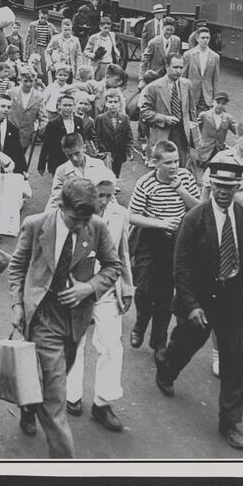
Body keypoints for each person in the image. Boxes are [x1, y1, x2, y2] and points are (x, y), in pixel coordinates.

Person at [9, 178, 121, 458]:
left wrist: (90, 288)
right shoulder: (36, 224)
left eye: (86, 219)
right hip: (42, 316)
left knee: (49, 379)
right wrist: (17, 304)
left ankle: (28, 404)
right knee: (56, 395)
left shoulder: (97, 227)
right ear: (61, 205)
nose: (81, 225)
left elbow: (113, 266)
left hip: (75, 320)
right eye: (75, 219)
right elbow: (18, 266)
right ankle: (65, 468)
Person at [154, 158, 243, 451]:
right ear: (210, 184)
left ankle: (230, 422)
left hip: (233, 301)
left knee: (233, 359)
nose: (224, 192)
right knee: (187, 343)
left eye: (230, 187)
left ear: (238, 187)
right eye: (219, 186)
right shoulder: (195, 219)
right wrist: (191, 305)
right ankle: (166, 364)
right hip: (200, 299)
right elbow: (181, 267)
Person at [64, 175, 133, 431]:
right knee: (74, 341)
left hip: (107, 287)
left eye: (109, 195)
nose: (104, 201)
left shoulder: (119, 214)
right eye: (99, 195)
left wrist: (127, 287)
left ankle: (103, 403)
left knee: (111, 344)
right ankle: (72, 395)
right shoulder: (74, 215)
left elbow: (122, 252)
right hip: (77, 287)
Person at [128, 140, 200, 352]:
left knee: (166, 294)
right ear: (155, 163)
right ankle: (140, 325)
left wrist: (180, 190)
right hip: (151, 239)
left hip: (177, 242)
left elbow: (198, 209)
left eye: (176, 161)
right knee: (144, 291)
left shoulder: (185, 178)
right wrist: (160, 223)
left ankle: (158, 340)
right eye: (168, 162)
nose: (174, 166)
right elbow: (132, 216)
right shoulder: (145, 183)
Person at [201, 120, 243, 219]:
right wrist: (204, 211)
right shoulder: (222, 157)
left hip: (242, 212)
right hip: (219, 210)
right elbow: (207, 186)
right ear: (237, 138)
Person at [140, 53, 196, 167]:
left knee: (181, 166)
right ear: (167, 67)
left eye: (181, 67)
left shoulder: (187, 84)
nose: (179, 71)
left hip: (182, 134)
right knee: (163, 167)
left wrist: (194, 132)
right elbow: (145, 112)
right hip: (163, 134)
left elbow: (191, 110)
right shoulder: (154, 87)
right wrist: (164, 119)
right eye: (175, 67)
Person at [45, 132, 116, 211]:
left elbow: (109, 193)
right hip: (76, 214)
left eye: (77, 153)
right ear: (64, 152)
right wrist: (47, 218)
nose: (74, 158)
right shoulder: (62, 171)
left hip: (98, 211)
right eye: (69, 155)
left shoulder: (98, 165)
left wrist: (117, 212)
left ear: (84, 148)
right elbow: (55, 199)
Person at [38, 93, 83, 176]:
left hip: (75, 160)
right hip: (58, 160)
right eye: (65, 105)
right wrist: (41, 164)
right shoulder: (53, 124)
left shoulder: (79, 121)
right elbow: (46, 145)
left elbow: (81, 140)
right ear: (59, 106)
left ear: (74, 106)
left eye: (70, 105)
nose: (67, 108)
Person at [93, 88, 134, 178]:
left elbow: (128, 136)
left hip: (119, 151)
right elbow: (97, 136)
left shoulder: (124, 118)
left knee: (116, 170)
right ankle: (110, 187)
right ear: (106, 103)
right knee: (107, 171)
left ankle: (115, 183)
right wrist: (101, 150)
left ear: (119, 103)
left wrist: (130, 150)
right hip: (106, 151)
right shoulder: (101, 118)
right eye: (110, 102)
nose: (113, 105)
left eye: (115, 102)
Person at [7, 67, 47, 155]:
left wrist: (40, 131)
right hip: (9, 132)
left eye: (31, 81)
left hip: (26, 135)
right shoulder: (11, 93)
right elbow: (3, 109)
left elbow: (43, 117)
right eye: (25, 81)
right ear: (20, 80)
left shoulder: (38, 97)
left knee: (20, 160)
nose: (28, 84)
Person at [194, 91, 237, 171]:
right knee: (200, 171)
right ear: (213, 102)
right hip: (204, 150)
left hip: (218, 150)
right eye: (218, 102)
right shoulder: (204, 115)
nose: (220, 105)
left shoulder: (228, 118)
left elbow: (237, 131)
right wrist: (199, 142)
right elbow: (195, 128)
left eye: (223, 103)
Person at [182, 27, 220, 115]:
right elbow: (183, 77)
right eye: (203, 38)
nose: (205, 40)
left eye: (207, 38)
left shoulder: (215, 56)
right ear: (197, 38)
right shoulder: (189, 55)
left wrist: (215, 99)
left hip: (206, 96)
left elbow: (215, 79)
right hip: (191, 95)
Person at [139, 17, 181, 87]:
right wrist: (141, 80)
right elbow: (144, 62)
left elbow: (176, 59)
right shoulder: (154, 42)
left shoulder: (177, 41)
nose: (169, 32)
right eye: (167, 30)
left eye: (171, 30)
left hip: (169, 78)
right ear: (162, 28)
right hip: (155, 77)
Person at [25, 9, 57, 84]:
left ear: (48, 17)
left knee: (43, 70)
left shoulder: (51, 26)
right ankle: (32, 85)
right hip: (34, 49)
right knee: (33, 69)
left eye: (45, 18)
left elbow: (56, 37)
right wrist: (26, 54)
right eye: (41, 18)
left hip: (45, 50)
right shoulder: (32, 25)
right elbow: (27, 40)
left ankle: (43, 86)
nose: (43, 20)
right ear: (38, 16)